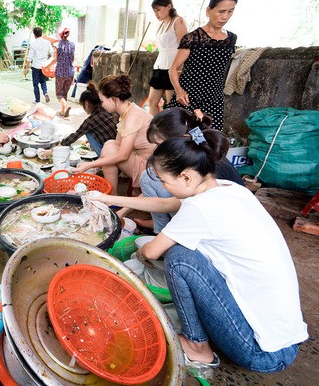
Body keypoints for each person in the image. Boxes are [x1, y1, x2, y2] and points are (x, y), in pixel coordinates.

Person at [95, 128, 308, 374]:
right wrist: (110, 199)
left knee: (179, 258)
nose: (163, 187)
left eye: (164, 181)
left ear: (186, 178)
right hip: (283, 339)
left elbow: (151, 252)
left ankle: (197, 347)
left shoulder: (200, 208)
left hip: (262, 353)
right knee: (182, 252)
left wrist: (139, 253)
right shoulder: (228, 188)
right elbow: (165, 203)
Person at [92, 108, 244, 233]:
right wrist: (122, 211)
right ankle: (161, 229)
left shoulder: (202, 167)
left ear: (181, 137)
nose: (158, 150)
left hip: (220, 225)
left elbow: (167, 204)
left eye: (160, 144)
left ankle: (165, 233)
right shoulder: (193, 150)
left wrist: (112, 201)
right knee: (149, 176)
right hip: (195, 210)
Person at [167, 0, 238, 130]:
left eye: (230, 11)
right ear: (208, 11)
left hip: (214, 99)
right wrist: (179, 91)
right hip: (189, 98)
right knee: (184, 141)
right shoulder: (193, 38)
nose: (225, 17)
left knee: (211, 141)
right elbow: (173, 69)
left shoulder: (231, 38)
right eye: (221, 11)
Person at [74, 75, 155, 195]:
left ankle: (112, 196)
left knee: (110, 149)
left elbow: (123, 155)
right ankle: (112, 194)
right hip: (144, 160)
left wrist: (90, 164)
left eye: (102, 101)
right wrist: (95, 165)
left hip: (153, 170)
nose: (101, 105)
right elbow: (117, 144)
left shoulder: (132, 117)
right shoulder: (128, 111)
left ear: (113, 100)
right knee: (109, 144)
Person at [147, 0, 187, 115]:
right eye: (154, 11)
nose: (156, 14)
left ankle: (171, 132)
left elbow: (184, 47)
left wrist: (178, 70)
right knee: (152, 101)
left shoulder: (178, 21)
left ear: (169, 6)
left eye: (158, 10)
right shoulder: (161, 24)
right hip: (160, 66)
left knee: (171, 104)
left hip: (173, 67)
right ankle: (153, 130)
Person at [58, 82, 116, 155]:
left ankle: (102, 158)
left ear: (86, 104)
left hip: (108, 153)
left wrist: (60, 145)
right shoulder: (107, 110)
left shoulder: (91, 120)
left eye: (83, 105)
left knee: (88, 132)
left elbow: (76, 135)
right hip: (116, 147)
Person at [25, 26, 53, 103]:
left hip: (36, 66)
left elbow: (29, 57)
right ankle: (45, 92)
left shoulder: (33, 43)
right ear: (41, 34)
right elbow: (52, 53)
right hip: (44, 66)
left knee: (35, 83)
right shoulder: (47, 42)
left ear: (34, 35)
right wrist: (49, 62)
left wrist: (26, 68)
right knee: (43, 81)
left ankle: (37, 100)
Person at [54, 28, 75, 117]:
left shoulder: (57, 45)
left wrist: (46, 66)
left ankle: (65, 106)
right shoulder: (72, 44)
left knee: (59, 94)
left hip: (60, 73)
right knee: (65, 93)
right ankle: (63, 111)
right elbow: (72, 58)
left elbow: (55, 59)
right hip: (70, 72)